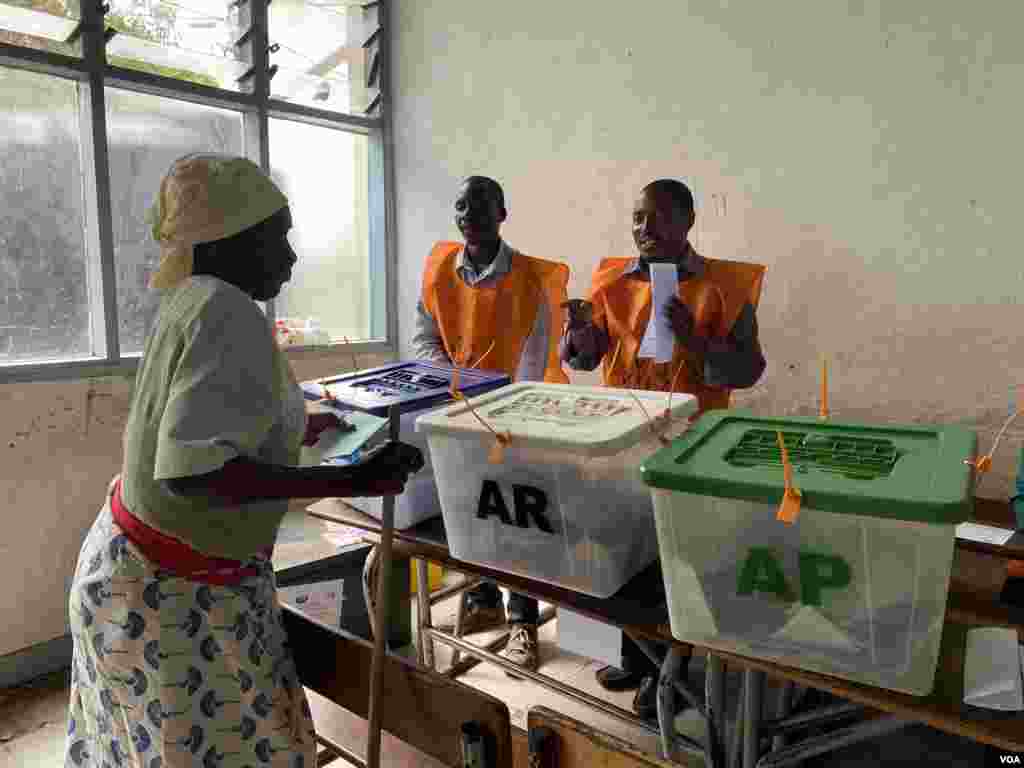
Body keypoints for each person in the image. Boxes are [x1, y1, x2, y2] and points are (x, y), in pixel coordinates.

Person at [64, 154, 423, 768]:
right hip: (173, 602)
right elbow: (194, 474)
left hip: (136, 574)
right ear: (226, 240)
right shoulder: (223, 311)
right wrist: (351, 477)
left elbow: (199, 419)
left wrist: (301, 426)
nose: (289, 257)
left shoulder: (192, 299)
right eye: (276, 237)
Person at [561, 178, 766, 720]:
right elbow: (586, 358)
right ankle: (634, 653)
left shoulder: (724, 286)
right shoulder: (610, 281)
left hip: (692, 445)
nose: (644, 228)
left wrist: (697, 341)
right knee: (622, 550)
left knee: (677, 560)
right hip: (622, 439)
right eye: (636, 218)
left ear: (688, 221)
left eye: (657, 217)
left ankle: (670, 674)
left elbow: (749, 370)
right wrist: (578, 339)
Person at [412, 175, 569, 675]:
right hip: (454, 412)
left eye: (482, 206)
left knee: (516, 517)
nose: (469, 215)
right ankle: (482, 599)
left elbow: (536, 357)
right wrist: (451, 384)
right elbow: (424, 338)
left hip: (512, 419)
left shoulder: (530, 279)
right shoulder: (439, 269)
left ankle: (522, 620)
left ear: (503, 213)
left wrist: (501, 415)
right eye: (461, 205)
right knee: (465, 510)